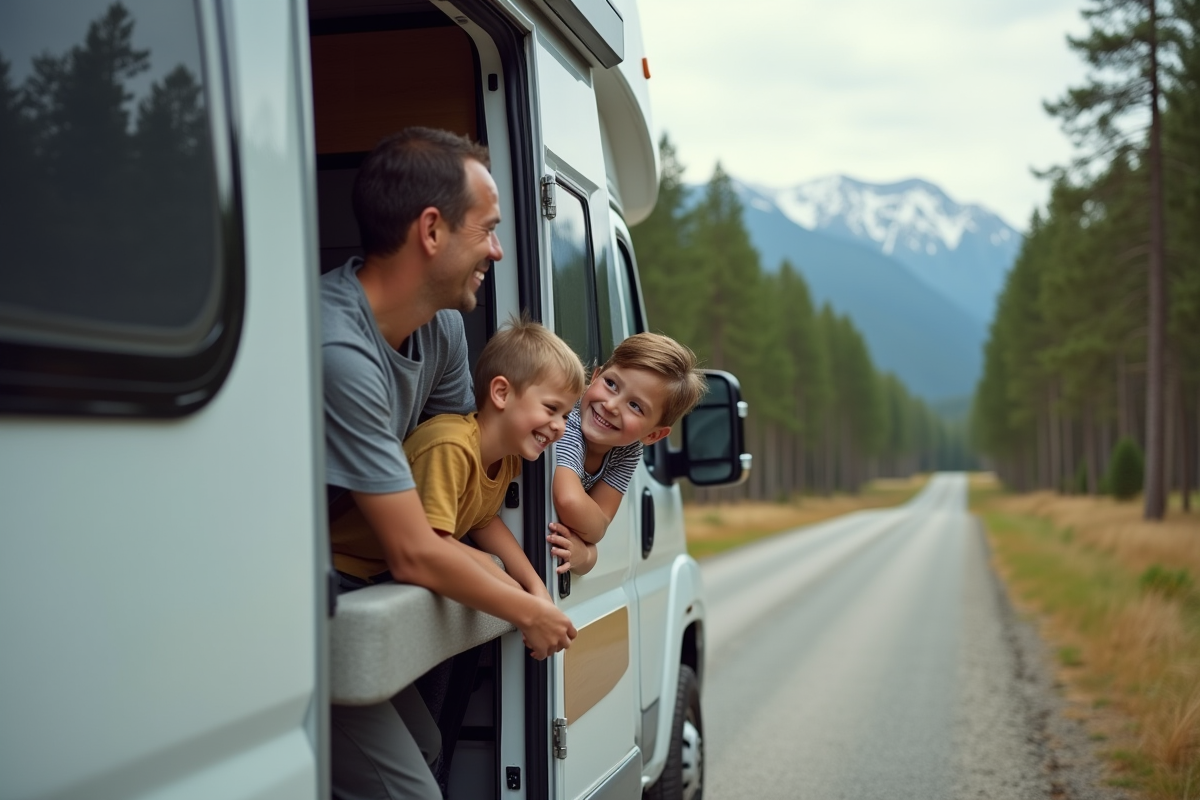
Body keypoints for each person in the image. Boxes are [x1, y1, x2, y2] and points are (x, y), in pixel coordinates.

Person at [322, 127, 576, 800]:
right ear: (431, 231)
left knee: (427, 746)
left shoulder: (440, 329)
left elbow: (467, 470)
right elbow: (417, 551)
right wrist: (529, 611)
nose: (497, 248)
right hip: (288, 601)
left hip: (355, 593)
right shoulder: (338, 352)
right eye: (487, 229)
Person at [400, 317, 585, 621]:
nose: (560, 428)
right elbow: (433, 545)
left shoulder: (508, 458)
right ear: (501, 393)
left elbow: (482, 521)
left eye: (565, 416)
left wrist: (535, 587)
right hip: (350, 573)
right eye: (551, 409)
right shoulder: (452, 447)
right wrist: (521, 601)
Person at [548, 333, 706, 574]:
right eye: (611, 384)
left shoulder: (629, 450)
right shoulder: (568, 421)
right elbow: (573, 505)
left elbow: (594, 539)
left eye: (635, 406)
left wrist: (587, 553)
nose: (611, 406)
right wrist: (592, 536)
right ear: (596, 375)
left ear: (653, 435)